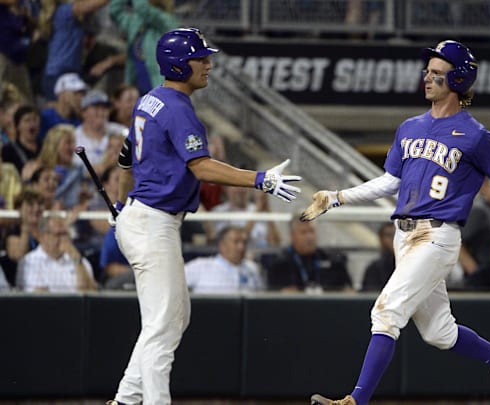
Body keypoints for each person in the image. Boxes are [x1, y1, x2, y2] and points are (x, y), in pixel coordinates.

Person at [301, 40, 490, 405]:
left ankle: (355, 401)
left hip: (438, 236)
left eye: (436, 72)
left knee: (386, 313)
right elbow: (390, 182)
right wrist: (337, 197)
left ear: (458, 79)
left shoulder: (475, 135)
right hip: (404, 236)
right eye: (426, 71)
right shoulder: (410, 127)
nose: (426, 77)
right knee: (439, 332)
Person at [106, 27, 301, 405]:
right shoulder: (178, 110)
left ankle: (126, 400)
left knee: (173, 318)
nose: (208, 65)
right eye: (201, 58)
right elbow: (203, 168)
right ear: (180, 64)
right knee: (163, 325)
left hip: (143, 217)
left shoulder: (150, 99)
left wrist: (120, 204)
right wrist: (260, 180)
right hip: (152, 222)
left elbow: (126, 158)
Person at [266, 212, 352, 293]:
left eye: (311, 231)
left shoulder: (334, 262)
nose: (309, 237)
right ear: (292, 236)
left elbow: (349, 291)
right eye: (304, 232)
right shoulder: (280, 265)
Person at [16, 213, 97, 292]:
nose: (64, 239)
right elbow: (39, 296)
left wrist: (77, 260)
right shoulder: (30, 261)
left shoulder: (80, 261)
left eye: (65, 234)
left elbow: (89, 294)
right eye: (58, 234)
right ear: (44, 236)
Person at [184, 226, 265, 294]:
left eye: (244, 242)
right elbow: (174, 284)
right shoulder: (200, 266)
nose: (241, 247)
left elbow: (260, 298)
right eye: (236, 242)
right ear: (222, 245)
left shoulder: (252, 268)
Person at [360, 222, 395, 292]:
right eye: (388, 235)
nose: (393, 239)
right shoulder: (375, 268)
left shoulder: (410, 266)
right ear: (381, 239)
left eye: (395, 235)